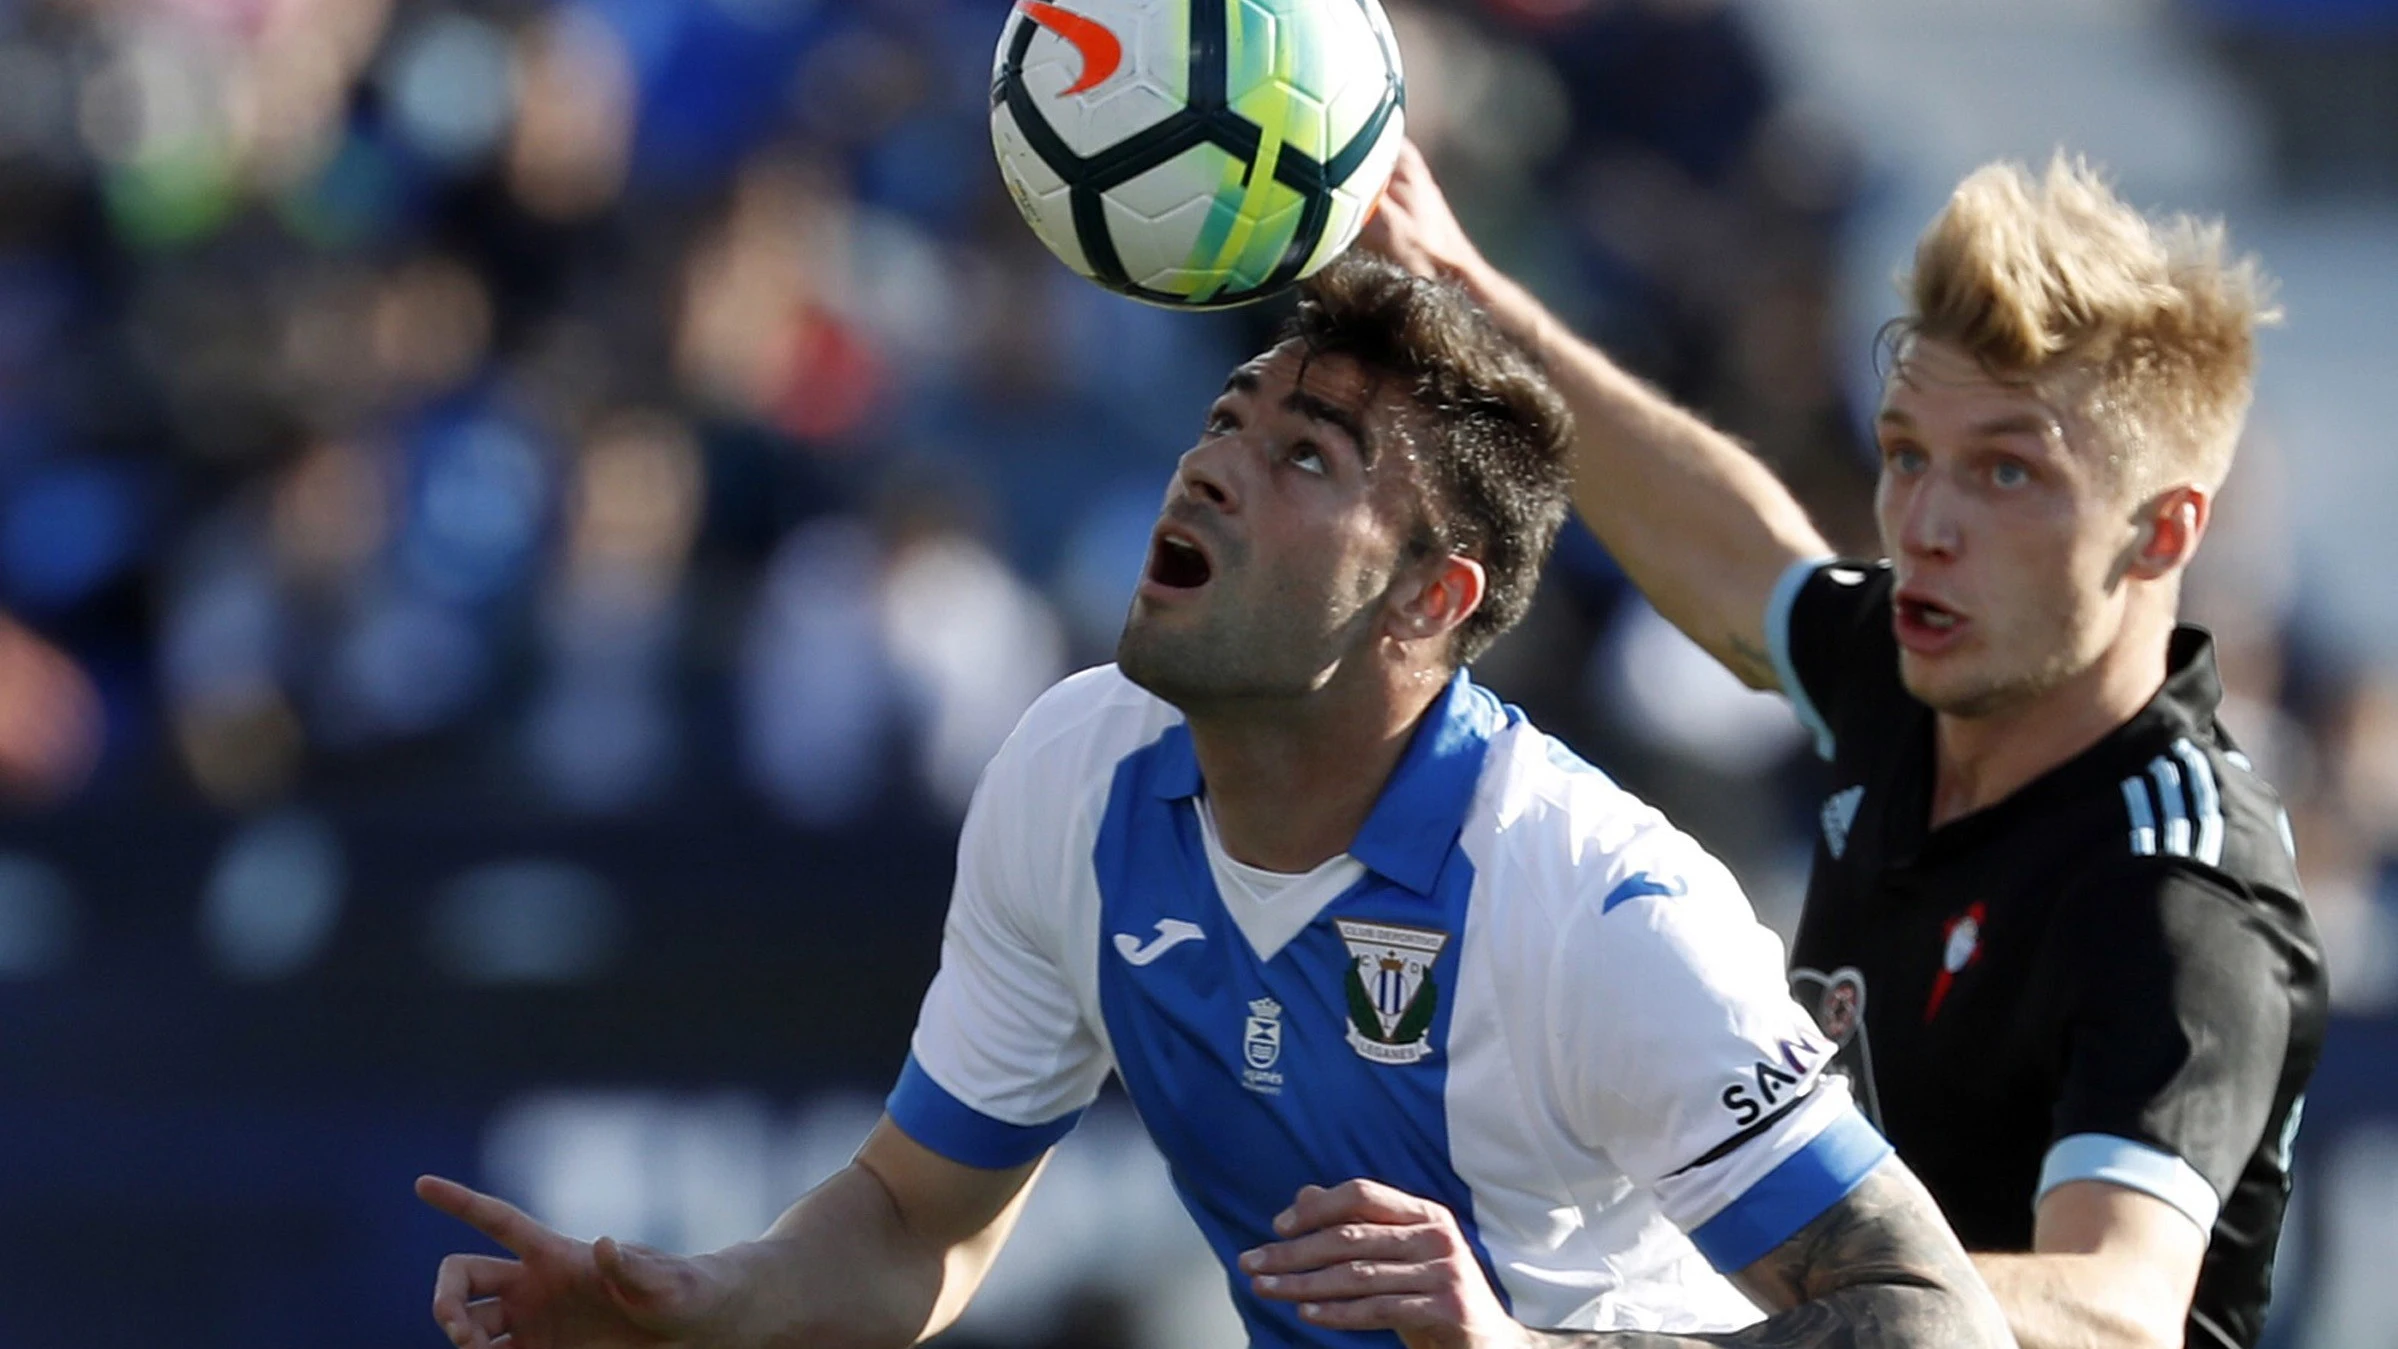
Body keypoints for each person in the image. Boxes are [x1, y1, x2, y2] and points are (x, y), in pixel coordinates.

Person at [417, 254, 2011, 1349]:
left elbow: (1929, 1314)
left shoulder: (1595, 907)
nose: (1211, 466)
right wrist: (702, 1306)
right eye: (1223, 418)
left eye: (1305, 455)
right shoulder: (1074, 770)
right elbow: (919, 1219)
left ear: (1424, 603)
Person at [1362, 143, 2326, 1349]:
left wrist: (1679, 1317)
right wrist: (1460, 283)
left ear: (2159, 531)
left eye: (2007, 471)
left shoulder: (2178, 884)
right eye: (1908, 452)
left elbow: (2113, 1306)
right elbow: (1731, 553)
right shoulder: (1922, 669)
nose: (1923, 524)